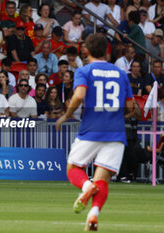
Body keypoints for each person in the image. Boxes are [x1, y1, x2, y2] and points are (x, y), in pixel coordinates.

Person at [56, 34, 134, 231]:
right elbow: (131, 105)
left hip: (91, 129)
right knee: (102, 179)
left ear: (86, 51)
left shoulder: (84, 70)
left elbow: (80, 94)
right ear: (107, 51)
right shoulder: (121, 73)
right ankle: (93, 215)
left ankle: (86, 187)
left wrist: (66, 115)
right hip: (116, 132)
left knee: (73, 168)